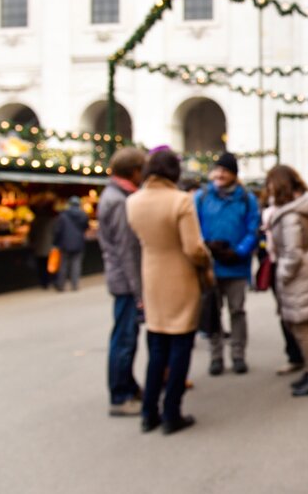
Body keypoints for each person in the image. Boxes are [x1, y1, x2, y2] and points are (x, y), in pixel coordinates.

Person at [127, 149, 212, 435]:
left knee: (157, 347)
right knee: (180, 346)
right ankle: (172, 412)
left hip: (152, 276)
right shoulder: (180, 201)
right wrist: (206, 260)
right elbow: (193, 248)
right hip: (180, 277)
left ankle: (149, 412)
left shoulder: (133, 202)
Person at [194, 152, 260, 376]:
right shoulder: (202, 197)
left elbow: (253, 229)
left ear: (234, 174)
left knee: (237, 311)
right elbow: (193, 226)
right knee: (212, 312)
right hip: (211, 267)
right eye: (218, 169)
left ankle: (238, 354)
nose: (220, 174)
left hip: (236, 266)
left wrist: (238, 251)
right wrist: (207, 247)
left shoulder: (246, 198)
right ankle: (216, 356)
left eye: (225, 170)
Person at [265, 164, 308, 397]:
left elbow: (292, 253)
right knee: (303, 325)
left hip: (297, 276)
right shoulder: (299, 207)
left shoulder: (290, 214)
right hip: (304, 271)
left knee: (301, 327)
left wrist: (281, 276)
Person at [97, 147, 146, 417]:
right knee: (125, 338)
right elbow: (127, 250)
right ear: (134, 171)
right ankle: (120, 395)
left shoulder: (117, 195)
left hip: (122, 278)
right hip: (125, 281)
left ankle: (127, 385)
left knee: (126, 336)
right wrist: (138, 291)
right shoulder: (118, 200)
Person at [53, 195, 89, 291]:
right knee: (76, 264)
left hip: (65, 243)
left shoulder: (63, 215)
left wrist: (55, 243)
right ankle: (74, 285)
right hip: (78, 242)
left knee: (63, 264)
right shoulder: (83, 214)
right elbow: (85, 227)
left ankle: (61, 285)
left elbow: (58, 230)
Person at [27, 194, 58, 290]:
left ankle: (44, 283)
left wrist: (31, 244)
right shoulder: (53, 220)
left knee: (42, 266)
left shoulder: (36, 221)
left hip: (39, 247)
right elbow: (56, 232)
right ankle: (53, 281)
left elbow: (31, 235)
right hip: (50, 246)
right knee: (52, 264)